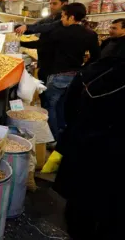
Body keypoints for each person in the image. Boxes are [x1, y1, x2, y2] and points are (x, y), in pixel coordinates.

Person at [53, 54, 125, 239]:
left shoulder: (99, 70)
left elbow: (69, 107)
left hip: (87, 147)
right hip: (107, 155)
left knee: (81, 210)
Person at [32, 3, 100, 141]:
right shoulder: (90, 34)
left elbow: (41, 45)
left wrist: (20, 42)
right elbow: (96, 57)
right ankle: (63, 131)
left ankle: (53, 139)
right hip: (76, 76)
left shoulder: (60, 32)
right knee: (63, 105)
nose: (61, 19)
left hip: (58, 75)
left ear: (71, 17)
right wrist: (83, 68)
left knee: (50, 105)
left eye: (63, 16)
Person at [16, 0, 69, 83]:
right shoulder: (48, 18)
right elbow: (35, 27)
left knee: (51, 94)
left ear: (64, 4)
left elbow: (46, 30)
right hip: (43, 62)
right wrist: (16, 27)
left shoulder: (64, 21)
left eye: (55, 4)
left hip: (57, 65)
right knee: (43, 90)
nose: (51, 6)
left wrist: (21, 42)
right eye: (50, 4)